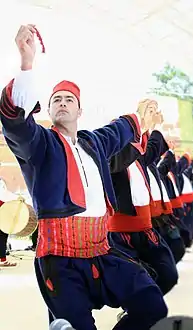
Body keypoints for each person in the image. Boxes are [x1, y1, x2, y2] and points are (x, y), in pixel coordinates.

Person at [0, 24, 167, 330]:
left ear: (79, 110)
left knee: (152, 304)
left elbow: (119, 131)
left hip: (102, 251)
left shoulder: (93, 143)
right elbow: (17, 126)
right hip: (59, 260)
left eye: (69, 100)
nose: (62, 103)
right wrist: (26, 66)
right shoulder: (41, 144)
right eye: (56, 100)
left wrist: (141, 118)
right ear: (49, 110)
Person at [108, 102, 178, 296]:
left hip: (145, 229)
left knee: (168, 274)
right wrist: (142, 122)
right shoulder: (111, 155)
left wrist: (153, 127)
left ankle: (140, 306)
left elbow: (151, 149)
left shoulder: (139, 157)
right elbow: (120, 158)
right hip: (121, 234)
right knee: (138, 280)